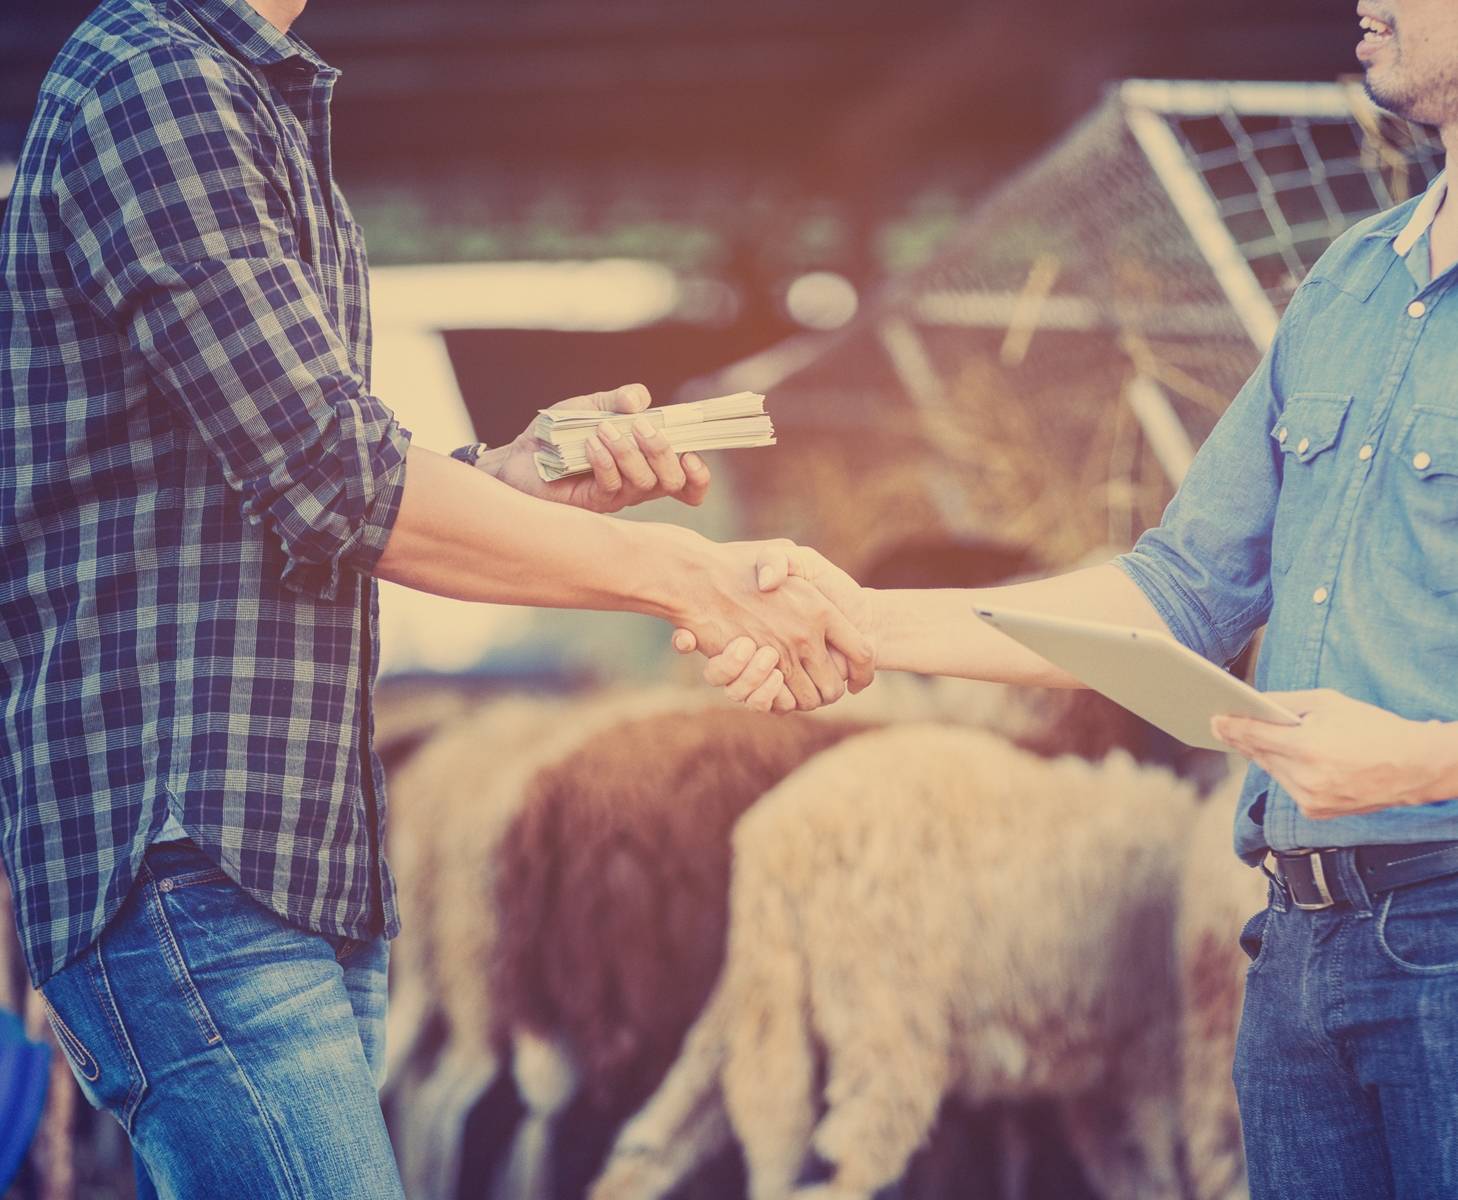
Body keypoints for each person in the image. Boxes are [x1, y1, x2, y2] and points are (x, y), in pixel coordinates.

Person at [692, 0, 1458, 1195]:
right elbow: (1177, 590)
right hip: (1302, 944)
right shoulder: (1351, 286)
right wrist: (854, 616)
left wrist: (1426, 764)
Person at [0, 0, 870, 1195]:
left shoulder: (238, 91)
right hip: (191, 845)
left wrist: (518, 475)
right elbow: (328, 476)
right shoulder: (155, 79)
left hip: (288, 854)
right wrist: (693, 581)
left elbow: (300, 477)